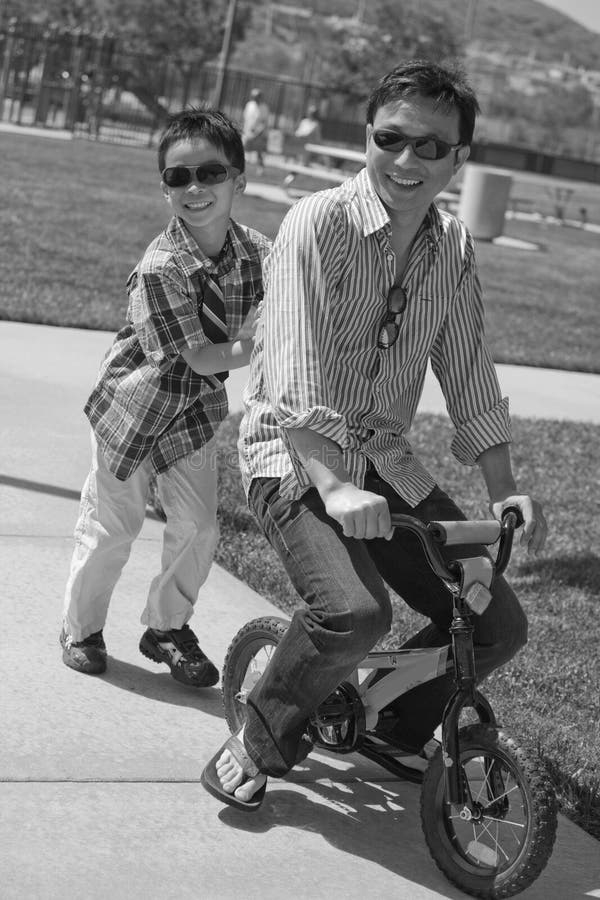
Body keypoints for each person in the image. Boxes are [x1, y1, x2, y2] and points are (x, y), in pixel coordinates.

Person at [201, 59, 548, 810]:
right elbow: (291, 373)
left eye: (431, 147)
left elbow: (469, 371)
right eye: (391, 138)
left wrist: (503, 487)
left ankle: (393, 722)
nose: (406, 160)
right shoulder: (315, 224)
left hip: (385, 460)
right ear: (366, 138)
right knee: (355, 614)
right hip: (291, 453)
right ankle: (256, 738)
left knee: (494, 621)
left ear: (460, 159)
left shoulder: (453, 247)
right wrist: (332, 483)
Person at [60, 107, 271, 687]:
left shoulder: (259, 253)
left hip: (193, 416)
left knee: (201, 529)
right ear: (165, 190)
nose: (196, 187)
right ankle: (80, 629)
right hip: (134, 410)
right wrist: (265, 341)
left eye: (211, 172)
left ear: (239, 180)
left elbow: (297, 295)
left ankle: (166, 627)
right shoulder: (160, 268)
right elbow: (201, 357)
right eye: (180, 177)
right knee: (112, 528)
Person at [242, 88, 270, 175]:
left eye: (257, 97)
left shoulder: (264, 107)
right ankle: (240, 168)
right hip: (248, 132)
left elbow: (264, 122)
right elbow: (246, 118)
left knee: (260, 152)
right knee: (241, 149)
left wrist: (258, 132)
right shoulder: (249, 105)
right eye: (254, 97)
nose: (256, 98)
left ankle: (260, 169)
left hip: (260, 134)